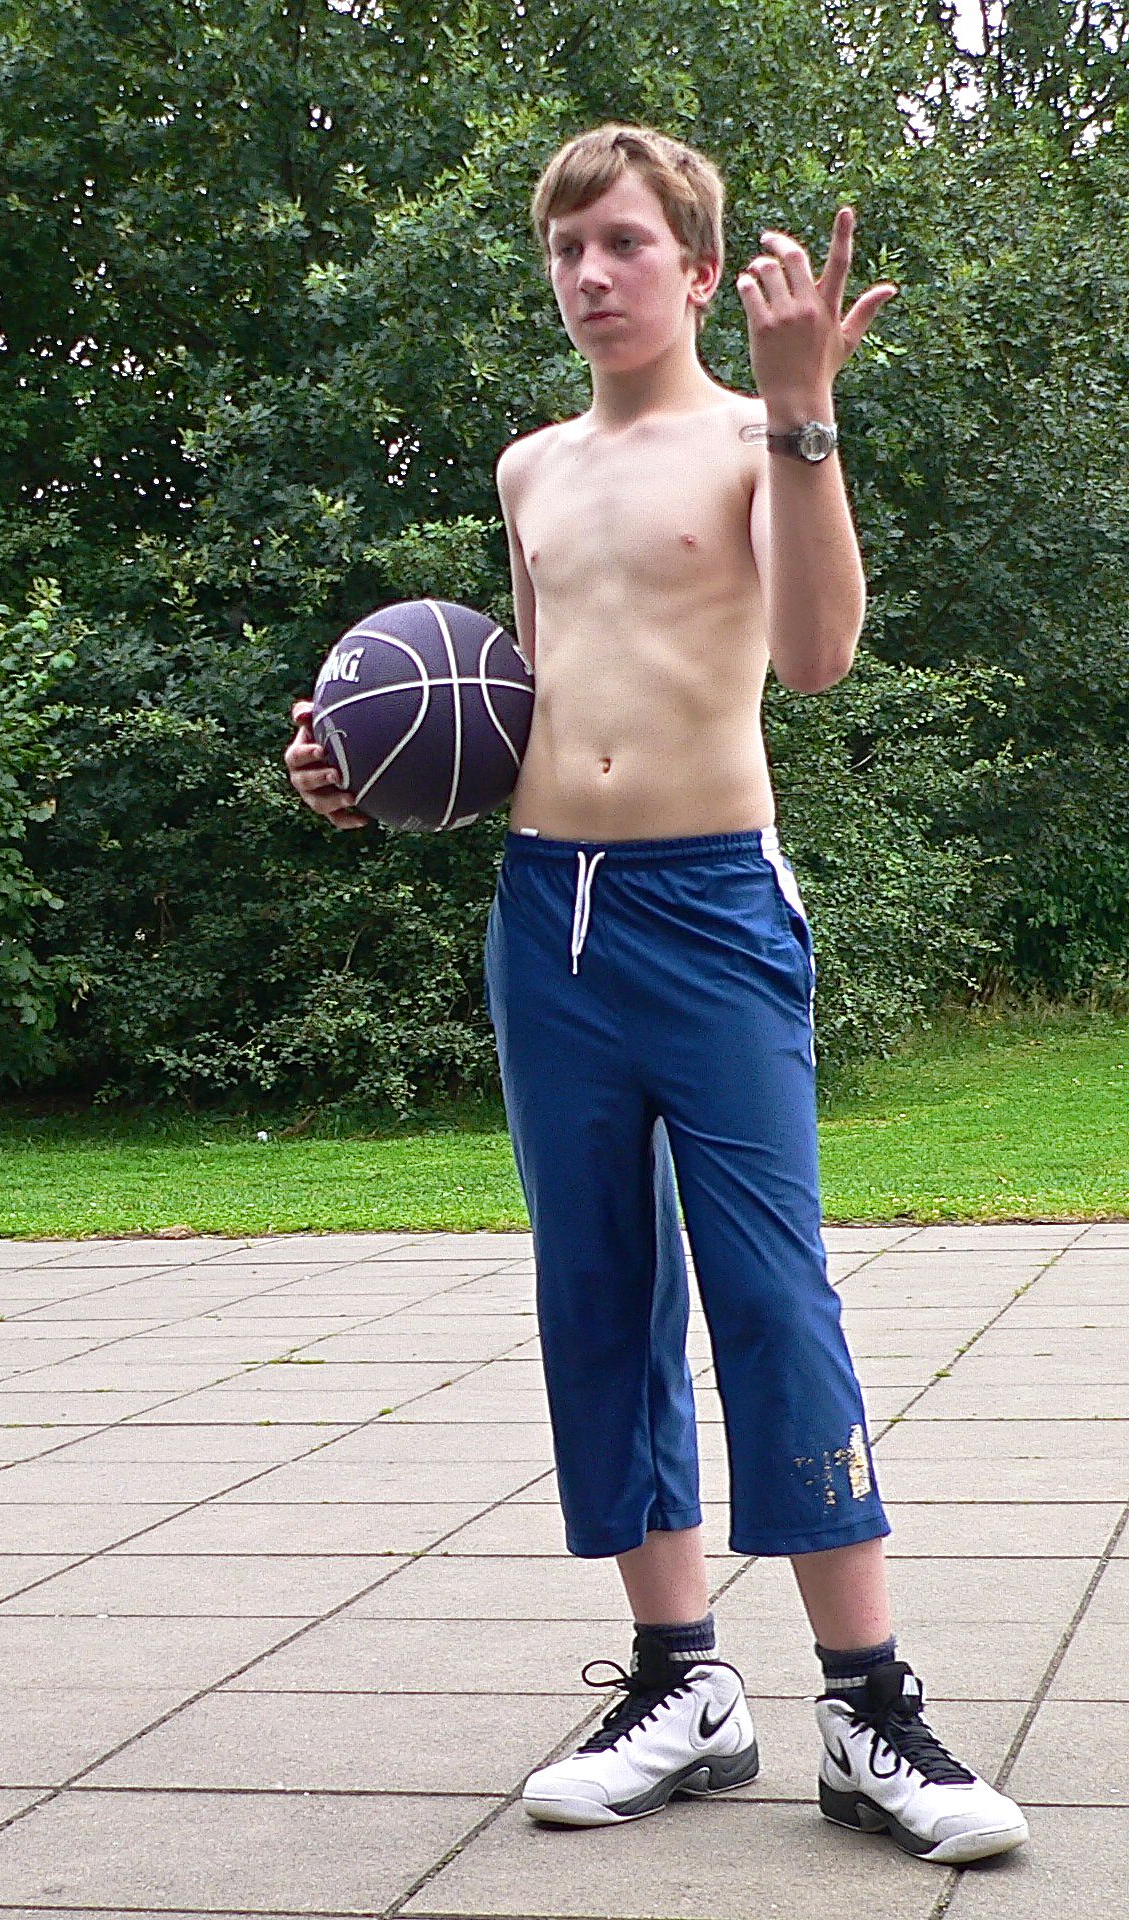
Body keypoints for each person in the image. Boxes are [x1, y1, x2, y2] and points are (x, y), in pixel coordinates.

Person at [284, 123, 1028, 1866]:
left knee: (773, 1293)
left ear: (697, 271)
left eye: (623, 243)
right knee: (599, 1291)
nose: (590, 273)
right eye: (567, 248)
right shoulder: (529, 469)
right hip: (548, 916)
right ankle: (682, 1682)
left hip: (713, 908)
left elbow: (819, 656)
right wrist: (368, 772)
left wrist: (805, 412)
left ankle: (870, 1707)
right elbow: (524, 704)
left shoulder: (757, 439)